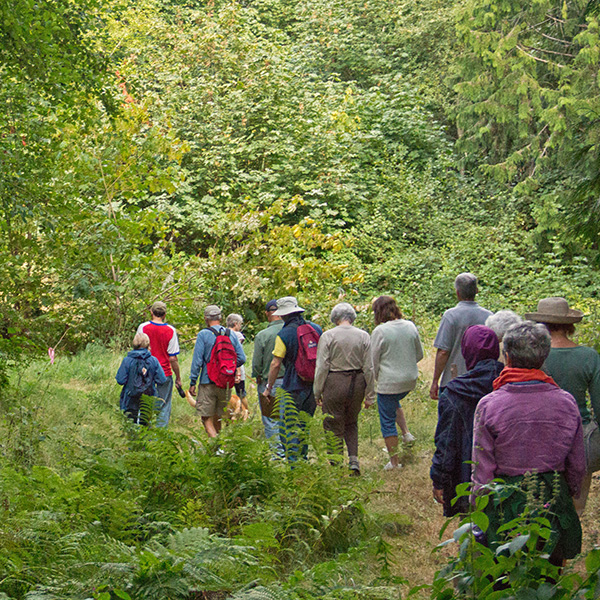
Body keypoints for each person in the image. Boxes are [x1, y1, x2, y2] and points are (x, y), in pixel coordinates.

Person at [472, 321, 585, 565]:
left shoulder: (489, 405)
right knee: (548, 570)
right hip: (551, 499)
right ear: (544, 357)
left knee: (505, 572)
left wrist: (479, 507)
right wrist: (570, 493)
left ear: (507, 356)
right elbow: (577, 464)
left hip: (505, 500)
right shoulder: (566, 402)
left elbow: (482, 469)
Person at [526, 297, 600, 515]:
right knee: (576, 508)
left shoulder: (533, 355)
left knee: (539, 504)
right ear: (570, 325)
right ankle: (570, 546)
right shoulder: (588, 357)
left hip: (538, 435)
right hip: (579, 435)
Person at [430, 325, 503, 516]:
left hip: (467, 480)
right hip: (507, 479)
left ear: (466, 351)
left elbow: (446, 443)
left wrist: (439, 480)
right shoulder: (511, 383)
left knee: (472, 536)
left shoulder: (454, 393)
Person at [314, 302, 375, 476]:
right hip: (358, 382)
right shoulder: (363, 336)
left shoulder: (328, 336)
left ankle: (336, 462)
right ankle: (354, 460)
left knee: (332, 422)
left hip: (335, 381)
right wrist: (370, 394)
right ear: (352, 317)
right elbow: (369, 367)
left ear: (335, 318)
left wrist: (317, 392)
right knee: (351, 421)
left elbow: (322, 367)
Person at [265, 296, 322, 461]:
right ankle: (303, 459)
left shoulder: (283, 334)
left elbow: (276, 364)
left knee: (288, 427)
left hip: (292, 387)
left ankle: (294, 465)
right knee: (304, 425)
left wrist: (269, 388)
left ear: (282, 315)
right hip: (313, 385)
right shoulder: (316, 329)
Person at [371, 296, 423, 471]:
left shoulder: (380, 331)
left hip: (389, 382)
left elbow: (373, 362)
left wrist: (375, 380)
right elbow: (419, 354)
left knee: (386, 420)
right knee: (394, 402)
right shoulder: (410, 325)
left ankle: (394, 463)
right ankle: (406, 434)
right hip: (409, 380)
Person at [430, 273, 492, 400]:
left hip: (453, 380)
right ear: (476, 291)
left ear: (457, 293)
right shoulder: (489, 316)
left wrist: (435, 380)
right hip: (481, 381)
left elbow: (443, 352)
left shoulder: (450, 316)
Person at [189, 305, 246, 438]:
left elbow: (197, 361)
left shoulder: (203, 334)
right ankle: (216, 452)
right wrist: (229, 369)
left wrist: (193, 381)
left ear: (206, 319)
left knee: (206, 419)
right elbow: (242, 358)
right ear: (220, 318)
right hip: (225, 382)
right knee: (218, 417)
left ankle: (219, 447)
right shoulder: (231, 334)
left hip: (207, 381)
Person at [136, 301, 182, 428]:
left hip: (145, 372)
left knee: (144, 403)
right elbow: (173, 358)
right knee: (163, 405)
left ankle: (142, 432)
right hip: (164, 373)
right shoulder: (170, 330)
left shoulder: (143, 327)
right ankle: (160, 438)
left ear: (151, 312)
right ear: (165, 314)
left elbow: (137, 349)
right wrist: (178, 377)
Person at [251, 300, 284, 445]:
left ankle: (277, 454)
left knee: (271, 419)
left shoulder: (262, 335)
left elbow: (257, 362)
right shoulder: (293, 331)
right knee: (288, 418)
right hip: (293, 381)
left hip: (269, 382)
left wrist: (257, 376)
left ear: (267, 314)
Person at [116, 332, 167, 425]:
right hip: (148, 398)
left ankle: (132, 439)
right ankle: (145, 439)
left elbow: (120, 380)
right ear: (148, 344)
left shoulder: (127, 360)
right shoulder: (153, 360)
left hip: (130, 398)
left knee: (130, 424)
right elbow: (162, 380)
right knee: (146, 425)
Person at [226, 313, 247, 400]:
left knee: (227, 394)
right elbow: (237, 354)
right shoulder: (238, 335)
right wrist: (238, 373)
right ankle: (245, 412)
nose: (240, 327)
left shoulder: (223, 333)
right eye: (240, 324)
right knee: (241, 394)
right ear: (235, 324)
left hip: (225, 368)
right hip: (236, 368)